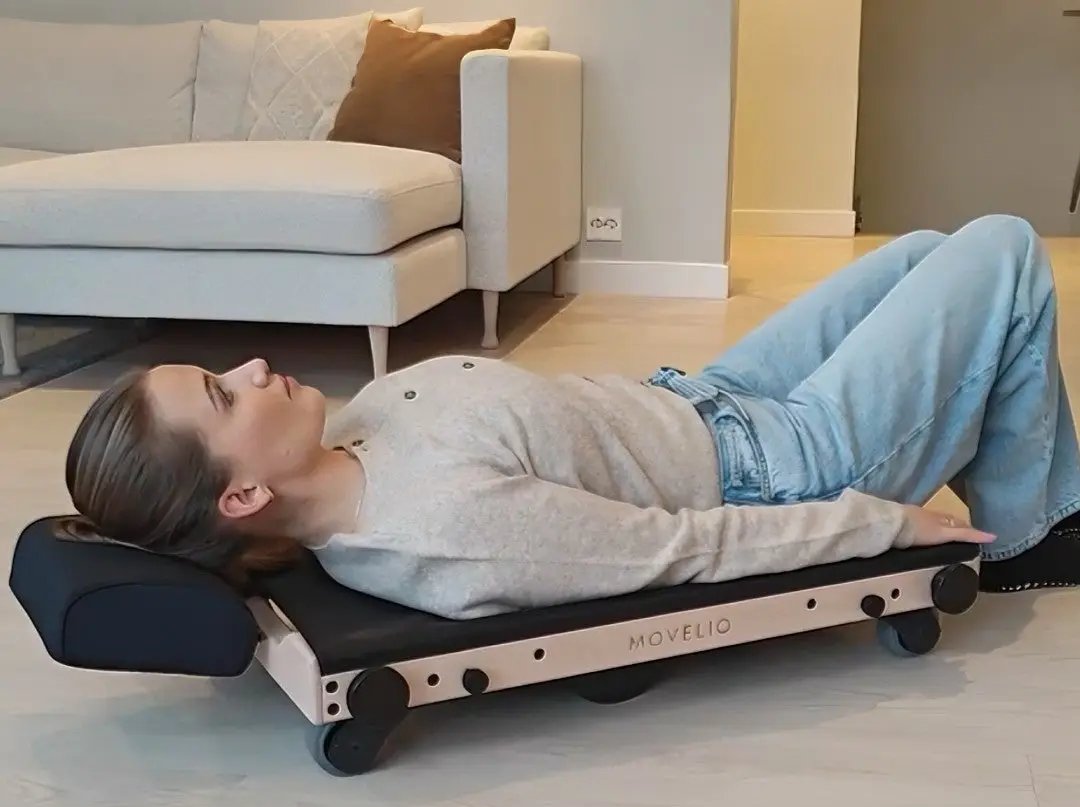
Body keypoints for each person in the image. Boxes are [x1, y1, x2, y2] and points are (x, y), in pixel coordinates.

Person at [61, 214, 1080, 620]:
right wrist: (883, 526)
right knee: (1000, 251)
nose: (251, 365)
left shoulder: (355, 432)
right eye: (224, 395)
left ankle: (1033, 505)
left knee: (925, 249)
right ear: (242, 491)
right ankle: (1035, 535)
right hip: (790, 463)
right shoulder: (443, 530)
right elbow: (682, 550)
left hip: (708, 397)